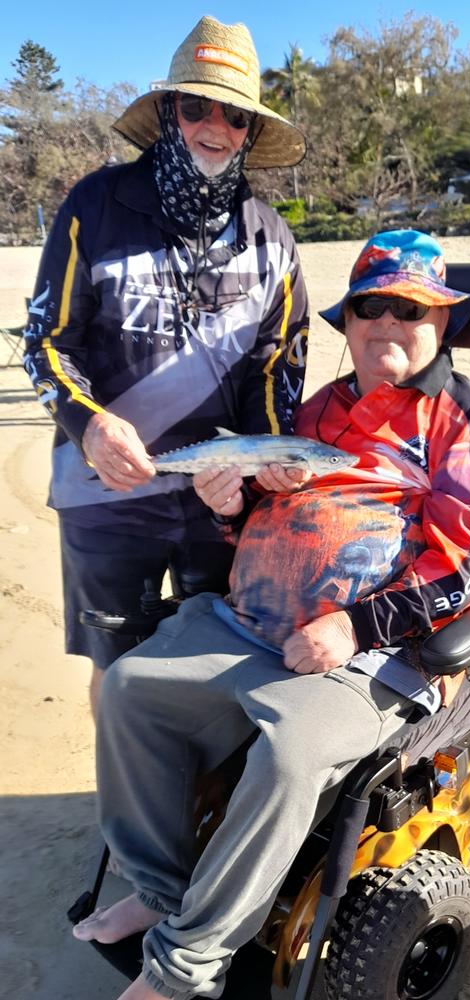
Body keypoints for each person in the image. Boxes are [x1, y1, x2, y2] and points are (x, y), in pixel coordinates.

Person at [72, 230, 470, 1000]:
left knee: (288, 754)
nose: (387, 322)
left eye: (410, 309)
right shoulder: (319, 407)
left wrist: (358, 627)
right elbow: (269, 512)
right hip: (249, 619)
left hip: (374, 651)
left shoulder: (464, 422)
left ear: (443, 322)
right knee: (127, 690)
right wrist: (234, 501)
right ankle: (159, 887)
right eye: (369, 306)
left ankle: (186, 966)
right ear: (348, 322)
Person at [22, 15, 309, 716]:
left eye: (235, 114)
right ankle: (125, 818)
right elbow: (47, 342)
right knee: (116, 674)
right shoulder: (95, 205)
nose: (216, 125)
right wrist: (88, 428)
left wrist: (266, 461)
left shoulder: (273, 239)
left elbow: (278, 367)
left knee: (224, 665)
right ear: (168, 112)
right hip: (105, 500)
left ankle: (205, 817)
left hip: (221, 503)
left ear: (249, 131)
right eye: (196, 106)